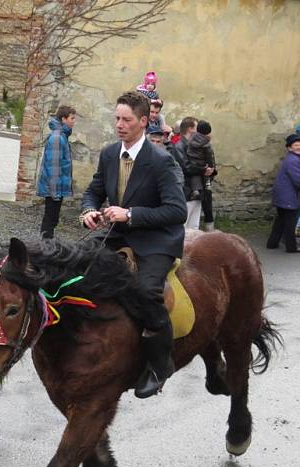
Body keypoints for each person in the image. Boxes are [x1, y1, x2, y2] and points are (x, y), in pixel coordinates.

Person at [81, 91, 187, 399]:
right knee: (78, 270)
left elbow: (177, 211)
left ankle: (159, 364)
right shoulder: (109, 153)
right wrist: (89, 210)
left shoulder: (161, 161)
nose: (119, 125)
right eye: (116, 118)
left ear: (144, 121)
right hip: (115, 234)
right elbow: (94, 190)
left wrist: (130, 214)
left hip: (155, 240)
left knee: (146, 292)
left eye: (126, 119)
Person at [36, 105, 76, 239]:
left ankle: (47, 246)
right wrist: (54, 192)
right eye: (72, 118)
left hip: (57, 188)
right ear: (64, 119)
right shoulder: (58, 137)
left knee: (52, 219)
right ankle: (45, 248)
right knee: (50, 219)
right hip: (54, 188)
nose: (73, 121)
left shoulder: (62, 136)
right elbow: (53, 167)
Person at [267, 135, 300, 253]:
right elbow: (298, 179)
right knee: (290, 222)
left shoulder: (291, 158)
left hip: (283, 194)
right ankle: (291, 247)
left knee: (281, 219)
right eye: (296, 145)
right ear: (289, 148)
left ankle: (272, 243)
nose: (299, 147)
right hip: (288, 195)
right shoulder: (293, 160)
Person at [186, 120, 218, 229]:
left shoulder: (191, 140)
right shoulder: (206, 144)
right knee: (206, 199)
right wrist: (211, 167)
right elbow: (210, 157)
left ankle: (196, 190)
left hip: (194, 164)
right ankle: (209, 228)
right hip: (203, 169)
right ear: (208, 132)